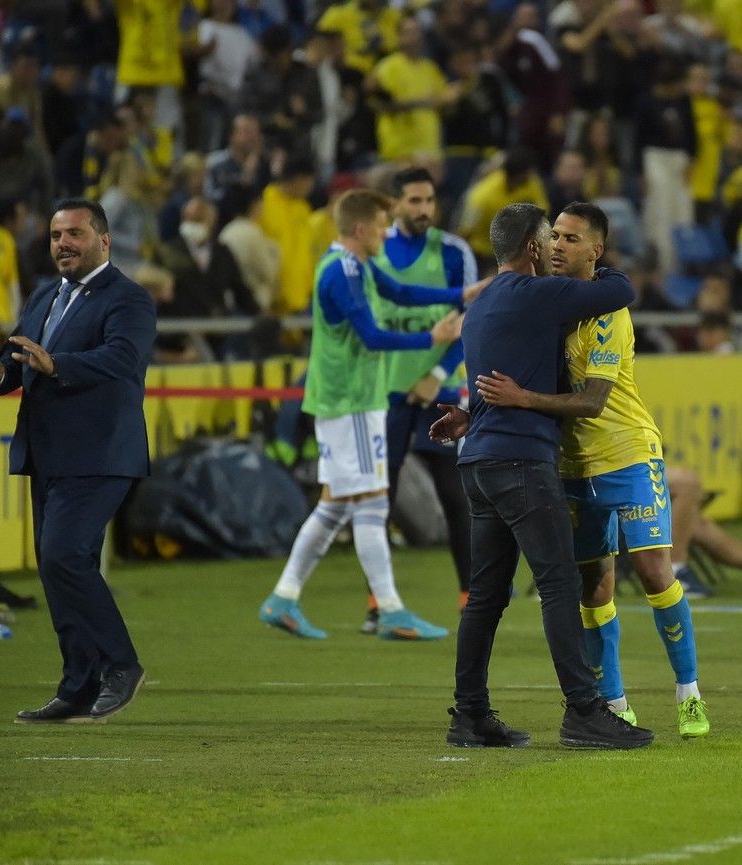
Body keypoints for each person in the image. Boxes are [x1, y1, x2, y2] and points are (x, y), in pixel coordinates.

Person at [474, 202, 710, 738]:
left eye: (572, 238)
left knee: (655, 573)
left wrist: (522, 399)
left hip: (627, 453)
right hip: (573, 465)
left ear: (595, 252)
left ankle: (689, 693)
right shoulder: (549, 307)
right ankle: (615, 702)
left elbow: (593, 402)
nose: (558, 245)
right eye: (554, 235)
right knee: (593, 588)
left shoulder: (607, 311)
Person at [429, 202, 653, 750]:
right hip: (521, 463)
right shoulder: (538, 293)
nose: (556, 246)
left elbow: (492, 380)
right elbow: (620, 291)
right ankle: (584, 712)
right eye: (549, 237)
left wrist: (469, 416)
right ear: (532, 247)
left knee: (485, 596)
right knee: (559, 584)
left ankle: (471, 716)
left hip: (478, 462)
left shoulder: (480, 308)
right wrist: (597, 259)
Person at [257, 189, 470, 642]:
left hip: (351, 401)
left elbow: (401, 291)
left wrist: (463, 293)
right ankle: (390, 609)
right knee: (372, 501)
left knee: (335, 505)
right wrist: (431, 338)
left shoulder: (354, 265)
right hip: (351, 401)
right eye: (380, 224)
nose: (386, 232)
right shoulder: (341, 273)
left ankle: (284, 596)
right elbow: (372, 337)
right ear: (360, 229)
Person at [0, 198, 157, 723]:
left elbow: (122, 359)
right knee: (55, 565)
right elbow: (20, 361)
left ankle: (121, 665)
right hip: (49, 452)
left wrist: (56, 362)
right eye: (57, 235)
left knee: (63, 555)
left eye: (75, 234)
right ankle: (77, 685)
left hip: (101, 451)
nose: (63, 243)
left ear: (103, 241)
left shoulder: (128, 299)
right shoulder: (44, 295)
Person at [366, 167, 476, 623]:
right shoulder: (373, 252)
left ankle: (472, 599)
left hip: (438, 392)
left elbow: (472, 323)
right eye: (414, 201)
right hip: (385, 395)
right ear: (394, 205)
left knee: (455, 493)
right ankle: (380, 604)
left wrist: (437, 372)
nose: (424, 209)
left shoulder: (453, 252)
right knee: (379, 499)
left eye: (429, 200)